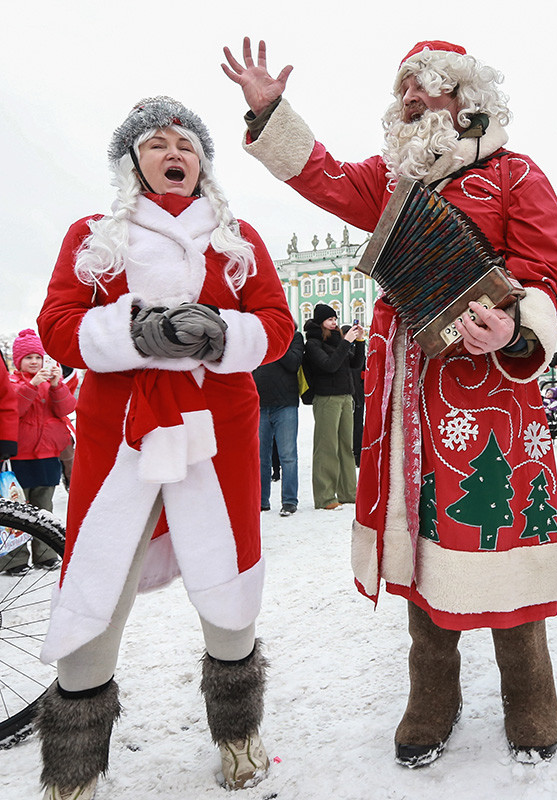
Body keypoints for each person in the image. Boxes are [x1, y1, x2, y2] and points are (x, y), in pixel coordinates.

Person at [224, 38, 557, 765]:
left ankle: (530, 690)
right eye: (404, 89)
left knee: (500, 525)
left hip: (491, 392)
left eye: (427, 88)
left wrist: (514, 326)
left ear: (466, 98)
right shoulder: (392, 180)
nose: (410, 98)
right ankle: (431, 694)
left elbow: (548, 272)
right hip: (404, 390)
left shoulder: (516, 174)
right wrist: (269, 111)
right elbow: (321, 177)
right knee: (418, 528)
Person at [35, 96, 295, 798]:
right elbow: (58, 325)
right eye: (156, 142)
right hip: (121, 435)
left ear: (202, 163)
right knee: (97, 586)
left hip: (218, 437)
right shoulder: (95, 236)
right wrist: (133, 333)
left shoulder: (238, 242)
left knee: (228, 588)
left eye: (186, 142)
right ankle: (74, 766)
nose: (174, 150)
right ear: (133, 161)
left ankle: (238, 734)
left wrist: (221, 330)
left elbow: (276, 324)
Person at [0, 329, 74, 574]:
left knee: (44, 510)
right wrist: (32, 385)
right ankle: (15, 561)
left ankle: (46, 555)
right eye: (28, 358)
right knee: (16, 510)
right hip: (19, 459)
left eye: (38, 357)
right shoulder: (11, 383)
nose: (35, 362)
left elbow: (66, 407)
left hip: (47, 456)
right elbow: (15, 409)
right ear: (18, 361)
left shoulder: (51, 383)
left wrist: (55, 386)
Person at [302, 304, 364, 510]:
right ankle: (325, 496)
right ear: (321, 322)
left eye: (335, 319)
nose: (334, 323)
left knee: (346, 446)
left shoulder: (338, 341)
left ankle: (348, 492)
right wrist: (346, 343)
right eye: (330, 320)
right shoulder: (313, 344)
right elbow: (329, 365)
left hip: (346, 396)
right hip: (326, 398)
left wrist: (360, 342)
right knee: (327, 447)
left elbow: (355, 365)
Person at [253, 327, 304, 516]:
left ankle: (289, 501)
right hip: (259, 402)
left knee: (288, 456)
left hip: (286, 404)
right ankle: (261, 501)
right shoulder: (258, 336)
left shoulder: (294, 337)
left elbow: (293, 363)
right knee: (260, 457)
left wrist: (276, 339)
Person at [342, 323, 367, 466]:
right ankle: (356, 453)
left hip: (356, 392)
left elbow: (363, 368)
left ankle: (356, 453)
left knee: (356, 424)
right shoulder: (346, 351)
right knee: (355, 424)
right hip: (354, 391)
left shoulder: (354, 350)